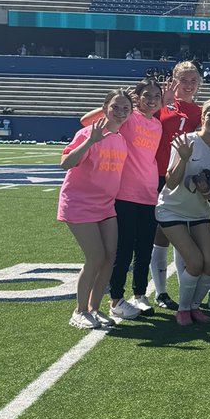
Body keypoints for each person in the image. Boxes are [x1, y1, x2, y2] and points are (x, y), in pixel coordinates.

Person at [80, 79, 164, 321]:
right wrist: (116, 103)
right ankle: (116, 298)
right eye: (146, 95)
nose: (151, 100)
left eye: (156, 96)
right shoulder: (128, 117)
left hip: (149, 194)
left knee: (145, 248)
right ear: (136, 98)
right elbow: (86, 121)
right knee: (123, 249)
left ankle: (140, 294)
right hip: (124, 194)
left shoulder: (157, 125)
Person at [57, 89, 133, 329]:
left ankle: (94, 308)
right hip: (79, 204)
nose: (120, 113)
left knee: (110, 257)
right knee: (95, 257)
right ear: (104, 108)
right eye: (115, 108)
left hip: (106, 205)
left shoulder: (120, 137)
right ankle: (79, 311)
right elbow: (65, 163)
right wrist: (90, 141)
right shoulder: (88, 132)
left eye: (125, 109)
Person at [155, 98, 210, 327]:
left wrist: (207, 191)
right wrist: (184, 159)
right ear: (202, 117)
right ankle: (183, 310)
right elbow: (171, 183)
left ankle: (195, 307)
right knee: (195, 262)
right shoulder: (186, 141)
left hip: (198, 213)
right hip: (172, 210)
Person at [150, 61, 202, 310]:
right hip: (156, 175)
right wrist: (161, 104)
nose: (190, 84)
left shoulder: (201, 111)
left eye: (194, 80)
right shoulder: (161, 104)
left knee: (182, 235)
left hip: (182, 177)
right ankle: (160, 292)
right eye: (185, 79)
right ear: (174, 79)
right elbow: (147, 125)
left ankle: (185, 293)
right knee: (158, 236)